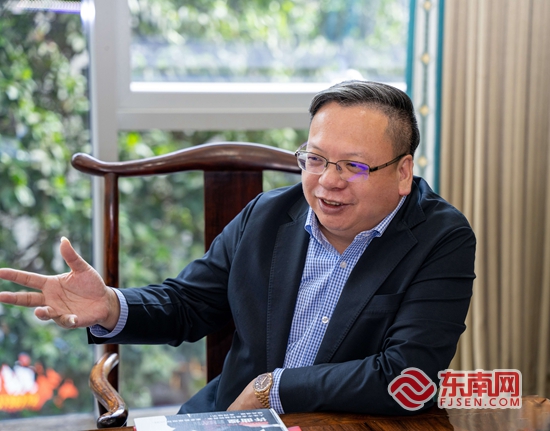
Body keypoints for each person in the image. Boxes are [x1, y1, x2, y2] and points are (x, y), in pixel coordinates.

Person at [0, 80, 476, 415]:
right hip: (228, 416)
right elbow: (188, 303)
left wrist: (274, 388)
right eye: (315, 159)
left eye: (353, 166)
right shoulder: (268, 215)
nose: (328, 181)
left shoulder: (441, 238)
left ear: (402, 172)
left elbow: (407, 373)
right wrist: (110, 305)